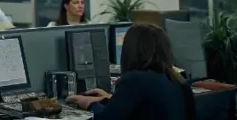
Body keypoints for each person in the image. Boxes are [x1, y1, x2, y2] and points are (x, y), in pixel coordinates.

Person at [67, 23, 195, 119]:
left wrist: (90, 104)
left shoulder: (135, 80)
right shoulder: (178, 79)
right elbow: (142, 107)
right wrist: (107, 99)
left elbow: (106, 119)